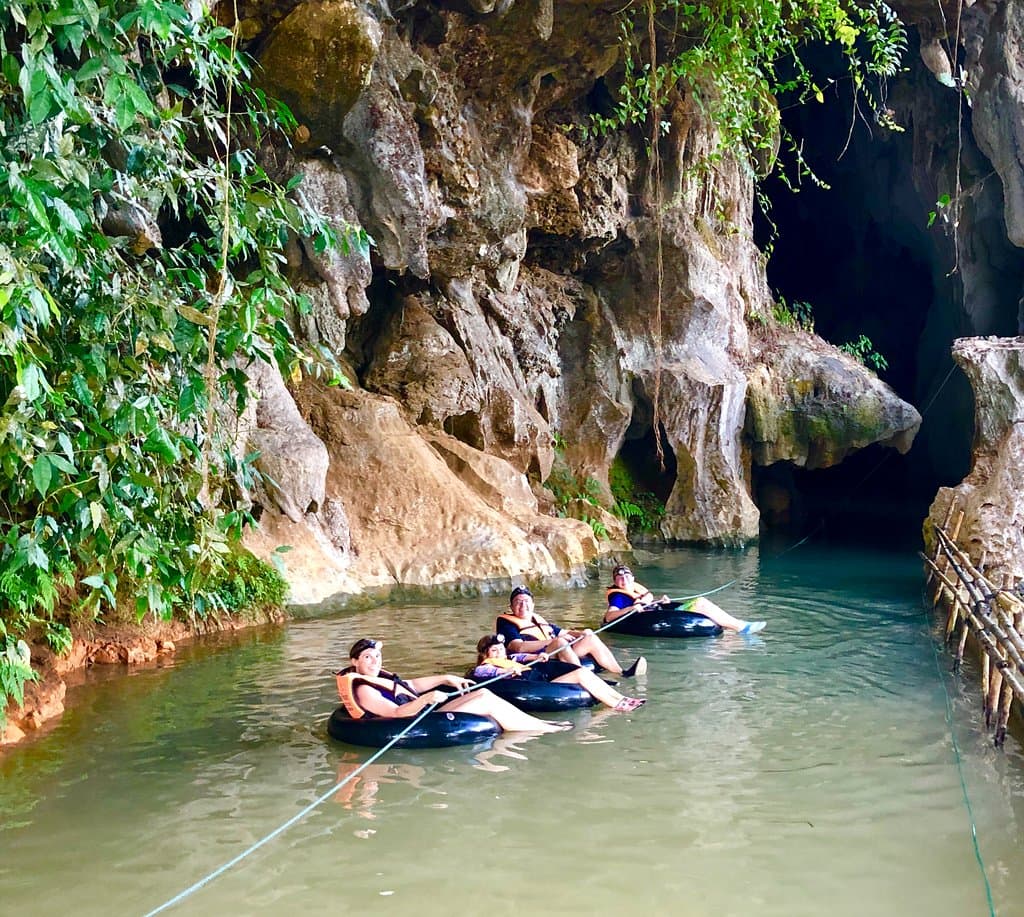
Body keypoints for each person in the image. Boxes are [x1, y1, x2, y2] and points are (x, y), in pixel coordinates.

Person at [336, 638, 570, 734]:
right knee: (484, 700)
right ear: (354, 661)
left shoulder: (380, 677)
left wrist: (446, 678)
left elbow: (411, 685)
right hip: (417, 721)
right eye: (368, 657)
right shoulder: (364, 689)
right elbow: (396, 712)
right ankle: (545, 729)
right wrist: (427, 699)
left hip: (425, 712)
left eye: (376, 656)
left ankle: (541, 723)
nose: (374, 661)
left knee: (483, 692)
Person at [497, 586, 648, 676]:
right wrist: (553, 641)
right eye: (518, 602)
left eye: (526, 602)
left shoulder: (537, 619)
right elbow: (517, 647)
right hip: (535, 659)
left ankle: (621, 673)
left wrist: (582, 633)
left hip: (556, 651)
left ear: (533, 605)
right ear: (511, 606)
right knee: (559, 642)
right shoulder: (506, 622)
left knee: (590, 638)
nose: (523, 605)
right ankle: (585, 678)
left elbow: (562, 631)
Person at [473, 633, 645, 712]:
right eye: (495, 651)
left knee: (582, 672)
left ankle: (622, 699)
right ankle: (618, 705)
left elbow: (523, 656)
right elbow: (485, 672)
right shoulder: (485, 667)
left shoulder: (511, 658)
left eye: (501, 650)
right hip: (539, 688)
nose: (500, 653)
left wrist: (539, 655)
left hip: (541, 682)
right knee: (581, 674)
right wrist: (508, 670)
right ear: (485, 654)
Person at [603, 564, 766, 634]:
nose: (623, 580)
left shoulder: (635, 589)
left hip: (655, 612)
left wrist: (660, 601)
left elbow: (646, 603)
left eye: (626, 576)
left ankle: (736, 626)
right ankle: (740, 627)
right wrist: (631, 609)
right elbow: (610, 616)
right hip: (644, 620)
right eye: (619, 578)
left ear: (632, 577)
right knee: (701, 603)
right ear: (615, 581)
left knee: (701, 603)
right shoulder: (618, 596)